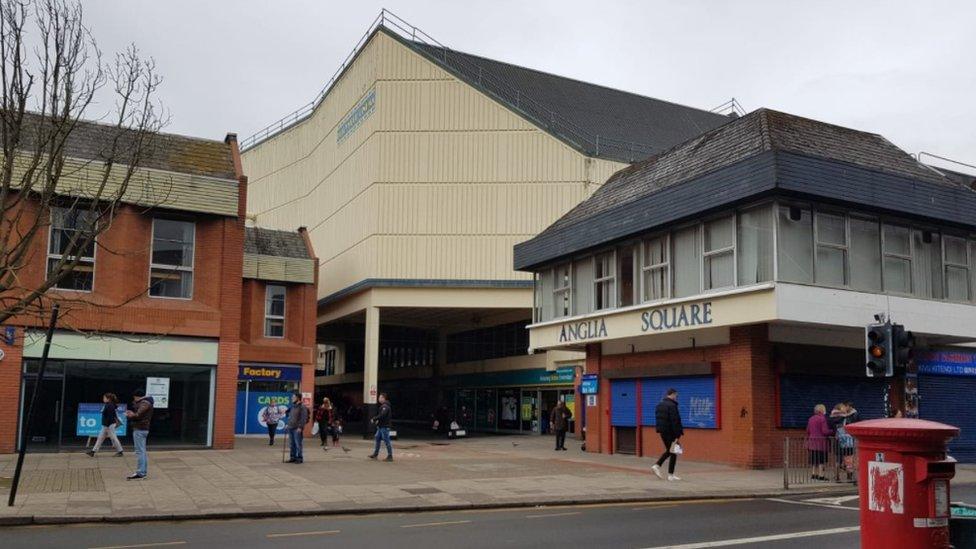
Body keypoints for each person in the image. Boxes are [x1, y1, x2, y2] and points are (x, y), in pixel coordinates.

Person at [651, 388, 684, 481]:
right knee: (673, 451)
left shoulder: (659, 405)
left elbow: (658, 419)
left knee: (672, 451)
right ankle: (658, 466)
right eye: (676, 396)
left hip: (663, 432)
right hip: (671, 433)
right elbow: (675, 421)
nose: (676, 398)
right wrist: (678, 434)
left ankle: (670, 474)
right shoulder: (672, 406)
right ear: (672, 394)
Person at [124, 389, 154, 480]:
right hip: (142, 428)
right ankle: (142, 472)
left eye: (135, 398)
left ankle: (141, 472)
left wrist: (130, 414)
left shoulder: (144, 403)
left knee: (140, 451)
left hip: (140, 428)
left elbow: (138, 415)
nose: (134, 400)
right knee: (142, 451)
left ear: (137, 396)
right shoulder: (146, 402)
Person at [86, 393, 124, 457]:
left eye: (104, 398)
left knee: (113, 438)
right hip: (107, 425)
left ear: (108, 399)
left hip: (109, 424)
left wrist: (108, 425)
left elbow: (110, 416)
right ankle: (93, 451)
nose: (103, 399)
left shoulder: (109, 405)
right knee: (100, 438)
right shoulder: (108, 405)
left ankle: (120, 451)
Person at [806, 403, 834, 481]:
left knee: (814, 459)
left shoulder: (811, 418)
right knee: (821, 459)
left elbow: (808, 430)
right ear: (822, 410)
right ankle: (821, 475)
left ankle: (814, 474)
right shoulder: (822, 419)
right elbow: (825, 431)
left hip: (812, 442)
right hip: (821, 442)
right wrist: (832, 431)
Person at [368, 393, 393, 461]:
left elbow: (382, 415)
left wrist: (374, 419)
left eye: (380, 397)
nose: (378, 399)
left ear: (383, 398)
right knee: (377, 438)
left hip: (384, 427)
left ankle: (390, 456)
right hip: (381, 426)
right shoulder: (383, 406)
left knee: (387, 441)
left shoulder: (385, 406)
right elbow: (382, 416)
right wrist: (378, 421)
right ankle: (375, 454)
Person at [286, 392, 309, 464]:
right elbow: (291, 416)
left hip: (297, 428)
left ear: (298, 398)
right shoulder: (293, 406)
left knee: (298, 443)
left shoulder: (302, 407)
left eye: (293, 397)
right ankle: (293, 457)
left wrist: (300, 427)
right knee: (291, 443)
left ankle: (300, 458)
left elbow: (303, 418)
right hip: (291, 427)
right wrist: (288, 424)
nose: (292, 398)